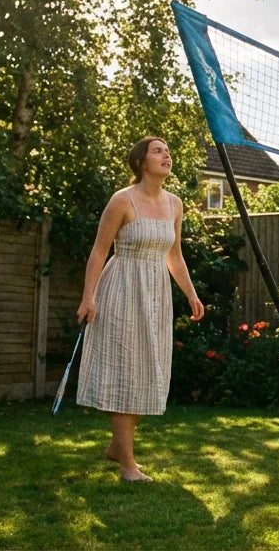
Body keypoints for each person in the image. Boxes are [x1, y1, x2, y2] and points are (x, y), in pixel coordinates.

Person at [76, 136, 205, 483]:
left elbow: (174, 256)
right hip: (121, 289)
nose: (167, 154)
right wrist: (88, 298)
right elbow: (99, 252)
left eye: (168, 149)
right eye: (158, 150)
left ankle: (118, 446)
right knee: (125, 370)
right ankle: (127, 466)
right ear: (141, 162)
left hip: (155, 294)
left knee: (151, 370)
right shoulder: (122, 200)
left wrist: (191, 294)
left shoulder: (175, 204)